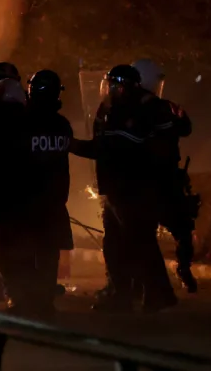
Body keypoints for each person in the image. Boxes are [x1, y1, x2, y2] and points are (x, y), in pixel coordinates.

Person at [71, 65, 178, 312]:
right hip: (116, 188)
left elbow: (111, 149)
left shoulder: (136, 111)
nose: (108, 88)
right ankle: (122, 291)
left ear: (123, 85)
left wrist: (75, 146)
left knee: (140, 240)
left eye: (112, 84)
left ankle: (158, 292)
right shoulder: (112, 108)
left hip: (132, 189)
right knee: (115, 243)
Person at [0, 71, 73, 318]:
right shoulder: (62, 124)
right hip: (53, 203)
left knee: (18, 254)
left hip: (23, 204)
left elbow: (5, 162)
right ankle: (44, 303)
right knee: (48, 256)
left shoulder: (19, 123)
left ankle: (21, 301)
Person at [131, 59, 198, 292]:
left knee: (182, 227)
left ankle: (181, 269)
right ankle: (143, 281)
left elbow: (185, 128)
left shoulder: (159, 106)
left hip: (163, 180)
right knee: (146, 234)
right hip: (149, 182)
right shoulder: (139, 108)